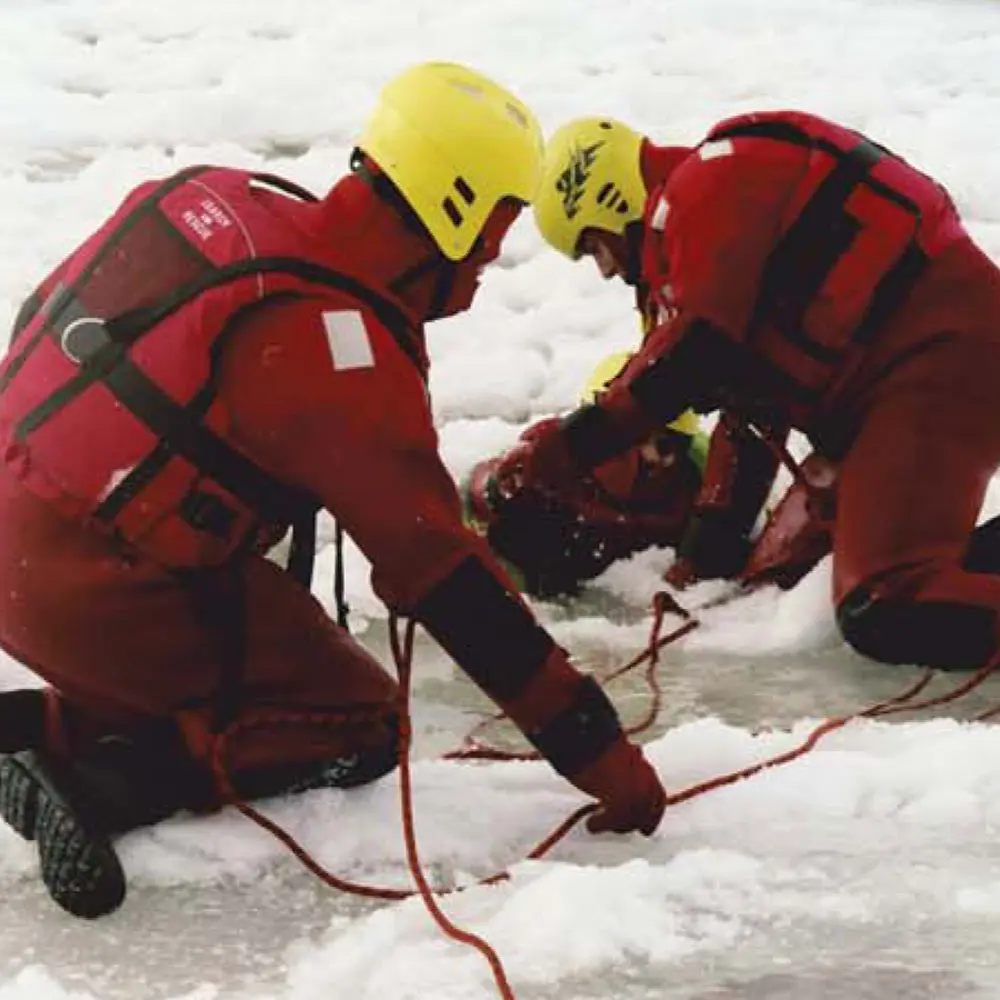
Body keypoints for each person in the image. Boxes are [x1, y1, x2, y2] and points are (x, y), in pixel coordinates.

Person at [0, 64, 667, 920]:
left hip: (28, 521)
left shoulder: (220, 195)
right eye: (496, 226)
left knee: (252, 634)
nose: (493, 259)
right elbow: (446, 580)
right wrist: (604, 760)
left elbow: (39, 318)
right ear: (449, 206)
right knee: (358, 719)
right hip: (91, 580)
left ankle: (29, 730)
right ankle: (104, 782)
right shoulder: (331, 344)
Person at [503, 110, 1000, 670]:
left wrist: (570, 449)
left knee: (886, 604)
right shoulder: (698, 229)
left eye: (593, 247)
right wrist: (701, 570)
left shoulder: (707, 186)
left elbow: (695, 356)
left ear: (607, 201)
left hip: (940, 360)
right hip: (896, 387)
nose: (605, 270)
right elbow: (746, 409)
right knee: (773, 584)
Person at [463, 349, 708, 598]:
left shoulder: (695, 476)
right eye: (663, 446)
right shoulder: (546, 470)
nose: (669, 460)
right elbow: (482, 494)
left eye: (678, 446)